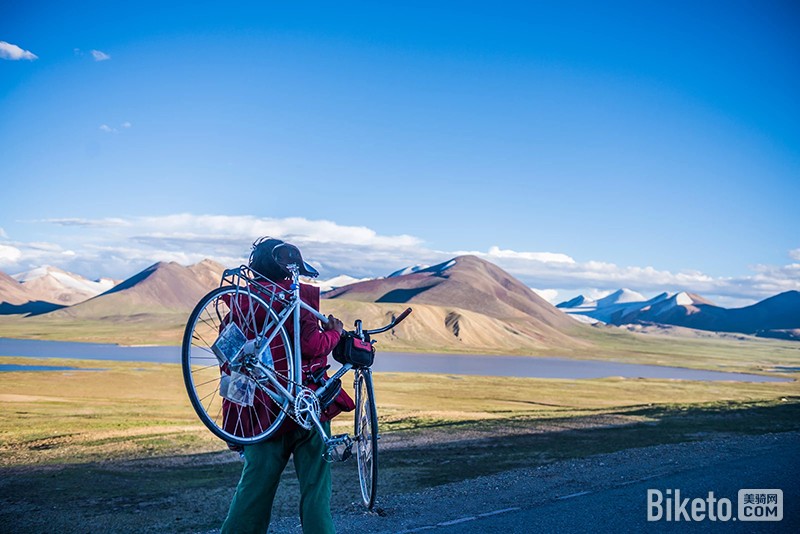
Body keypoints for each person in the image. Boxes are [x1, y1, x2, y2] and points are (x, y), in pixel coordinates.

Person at [221, 237, 354, 534]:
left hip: (259, 414)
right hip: (306, 407)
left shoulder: (239, 304)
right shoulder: (296, 298)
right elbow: (312, 343)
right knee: (316, 490)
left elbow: (229, 359)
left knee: (253, 492)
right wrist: (334, 334)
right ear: (289, 270)